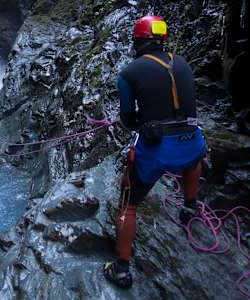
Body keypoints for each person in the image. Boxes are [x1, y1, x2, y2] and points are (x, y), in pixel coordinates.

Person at [103, 16, 206, 289]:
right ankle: (190, 206)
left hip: (158, 150)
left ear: (137, 41)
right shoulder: (183, 62)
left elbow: (127, 118)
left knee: (129, 202)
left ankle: (121, 268)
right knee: (193, 155)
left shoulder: (128, 73)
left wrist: (142, 123)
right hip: (192, 142)